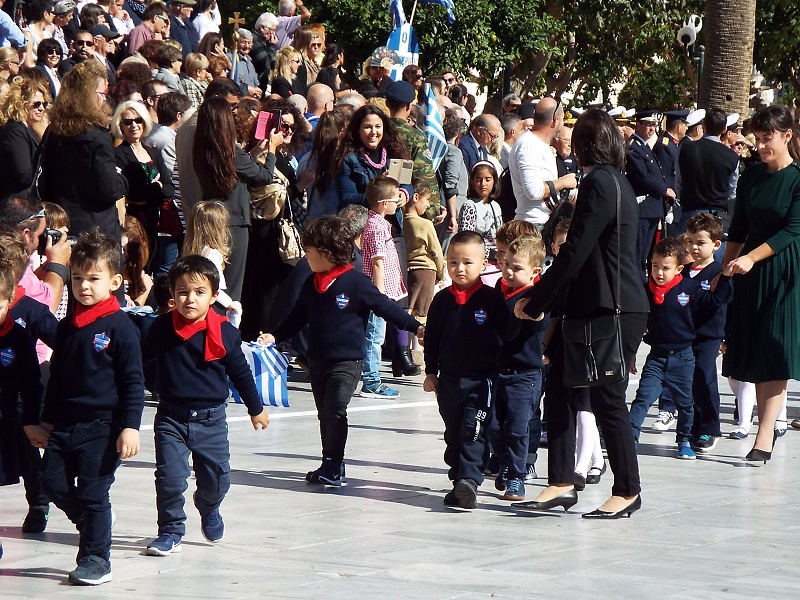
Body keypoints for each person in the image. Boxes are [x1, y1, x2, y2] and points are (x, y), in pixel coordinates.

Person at [512, 108, 649, 519]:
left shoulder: (599, 183)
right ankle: (560, 482)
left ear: (585, 146)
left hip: (612, 309)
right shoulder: (615, 180)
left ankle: (627, 490)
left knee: (608, 399)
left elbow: (575, 250)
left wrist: (536, 302)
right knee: (559, 390)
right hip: (597, 306)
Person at [261, 216, 422, 485]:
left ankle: (333, 465)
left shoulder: (356, 282)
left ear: (326, 253)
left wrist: (415, 327)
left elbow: (385, 307)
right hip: (317, 361)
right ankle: (331, 461)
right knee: (324, 414)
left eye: (309, 251)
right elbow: (296, 317)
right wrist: (274, 335)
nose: (305, 256)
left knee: (335, 410)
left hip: (347, 362)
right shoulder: (311, 284)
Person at [25, 228, 144, 585]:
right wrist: (46, 419)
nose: (84, 286)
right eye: (77, 278)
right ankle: (91, 523)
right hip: (65, 424)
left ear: (115, 282)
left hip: (104, 427)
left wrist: (130, 427)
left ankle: (96, 558)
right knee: (51, 481)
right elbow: (58, 377)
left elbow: (133, 382)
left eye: (94, 278)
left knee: (94, 492)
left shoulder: (121, 328)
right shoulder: (68, 328)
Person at [140, 255, 268, 558]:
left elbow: (240, 373)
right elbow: (142, 361)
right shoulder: (160, 329)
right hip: (171, 418)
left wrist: (255, 408)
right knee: (170, 479)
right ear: (172, 295)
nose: (190, 299)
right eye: (183, 292)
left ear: (213, 296)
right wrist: (155, 383)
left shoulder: (225, 333)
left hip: (211, 421)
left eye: (199, 292)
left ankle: (209, 506)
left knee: (217, 480)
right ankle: (170, 531)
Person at [722, 104, 800, 464]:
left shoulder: (797, 179)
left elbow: (792, 230)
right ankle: (760, 427)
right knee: (752, 348)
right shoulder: (751, 176)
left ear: (787, 135)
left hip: (784, 270)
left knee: (773, 347)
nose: (761, 145)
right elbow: (738, 228)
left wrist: (751, 258)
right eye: (757, 138)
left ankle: (765, 433)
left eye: (768, 138)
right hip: (748, 271)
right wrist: (724, 268)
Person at [422, 231, 510, 509]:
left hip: (482, 380)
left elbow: (507, 336)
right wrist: (430, 371)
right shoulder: (441, 301)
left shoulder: (492, 299)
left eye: (467, 262)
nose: (459, 268)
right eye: (453, 262)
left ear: (484, 264)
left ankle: (470, 480)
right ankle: (458, 480)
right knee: (454, 433)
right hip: (449, 381)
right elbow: (432, 338)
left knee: (474, 429)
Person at [628, 238, 733, 459]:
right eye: (655, 266)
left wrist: (724, 278)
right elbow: (636, 324)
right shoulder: (645, 291)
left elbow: (714, 302)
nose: (659, 272)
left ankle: (684, 440)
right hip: (656, 357)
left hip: (683, 357)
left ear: (678, 269)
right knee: (643, 397)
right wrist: (631, 353)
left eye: (666, 268)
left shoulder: (688, 287)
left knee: (685, 403)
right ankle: (630, 438)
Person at [193, 95, 281, 303]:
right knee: (232, 283)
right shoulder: (231, 152)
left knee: (213, 277)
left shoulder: (203, 149)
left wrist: (254, 152)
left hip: (211, 219)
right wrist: (272, 150)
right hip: (235, 222)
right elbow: (264, 177)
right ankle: (229, 321)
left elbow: (234, 169)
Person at [0, 234, 57, 533]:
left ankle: (38, 503)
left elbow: (62, 341)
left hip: (20, 403)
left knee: (28, 457)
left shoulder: (30, 310)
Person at [41, 59, 128, 243]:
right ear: (88, 96)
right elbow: (109, 189)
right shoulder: (98, 137)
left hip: (62, 226)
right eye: (102, 93)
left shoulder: (53, 131)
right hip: (96, 231)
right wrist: (123, 179)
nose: (104, 98)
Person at [490, 234, 548, 502]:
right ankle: (503, 460)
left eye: (517, 267)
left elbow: (540, 321)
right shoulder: (498, 292)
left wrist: (535, 313)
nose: (509, 271)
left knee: (517, 428)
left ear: (535, 271)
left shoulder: (535, 296)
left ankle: (516, 476)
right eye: (507, 265)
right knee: (492, 425)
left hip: (525, 375)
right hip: (496, 371)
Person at [356, 175, 410, 398]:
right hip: (378, 293)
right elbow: (377, 262)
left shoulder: (377, 224)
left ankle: (371, 377)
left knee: (376, 335)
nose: (398, 204)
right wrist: (378, 297)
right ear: (384, 203)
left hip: (381, 292)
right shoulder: (377, 228)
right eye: (395, 200)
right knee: (375, 337)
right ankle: (371, 381)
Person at [684, 213, 730, 452]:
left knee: (704, 376)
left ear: (716, 244)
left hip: (709, 336)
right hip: (684, 335)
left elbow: (726, 305)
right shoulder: (682, 271)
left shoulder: (719, 273)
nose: (694, 247)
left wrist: (726, 338)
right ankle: (691, 427)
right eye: (690, 241)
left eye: (700, 242)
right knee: (686, 381)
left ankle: (710, 428)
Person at [111, 99, 174, 256]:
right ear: (120, 126)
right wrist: (157, 187)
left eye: (138, 120)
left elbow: (169, 187)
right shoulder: (118, 155)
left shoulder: (154, 152)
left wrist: (152, 193)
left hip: (158, 223)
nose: (134, 125)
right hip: (134, 224)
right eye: (128, 122)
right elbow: (133, 193)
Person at [509, 98, 577, 228]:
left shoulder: (537, 144)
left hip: (542, 222)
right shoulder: (529, 145)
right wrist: (565, 181)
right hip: (533, 225)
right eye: (563, 119)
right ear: (556, 120)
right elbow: (534, 191)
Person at [183, 201, 242, 325]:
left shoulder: (195, 253)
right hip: (214, 305)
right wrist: (229, 303)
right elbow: (214, 286)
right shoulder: (212, 255)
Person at [403, 179, 445, 324]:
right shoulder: (425, 224)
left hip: (407, 271)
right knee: (422, 313)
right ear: (416, 197)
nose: (428, 204)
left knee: (408, 310)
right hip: (426, 271)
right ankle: (419, 339)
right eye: (427, 199)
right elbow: (436, 251)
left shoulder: (401, 222)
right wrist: (441, 273)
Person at [0, 77, 50, 198]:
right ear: (21, 103)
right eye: (37, 104)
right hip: (15, 202)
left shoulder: (26, 129)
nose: (42, 108)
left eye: (44, 104)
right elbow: (24, 177)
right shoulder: (15, 132)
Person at [458, 161, 504, 284]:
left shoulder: (496, 206)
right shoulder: (470, 206)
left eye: (487, 179)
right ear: (472, 182)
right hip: (479, 263)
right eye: (478, 180)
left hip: (498, 262)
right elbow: (466, 240)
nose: (483, 184)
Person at [301, 108, 347, 218]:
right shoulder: (346, 160)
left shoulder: (307, 160)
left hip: (313, 220)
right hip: (339, 221)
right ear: (342, 132)